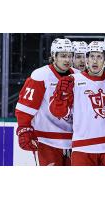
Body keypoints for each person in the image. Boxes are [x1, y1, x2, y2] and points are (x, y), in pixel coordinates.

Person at [49, 41, 105, 166]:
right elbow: (58, 112)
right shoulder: (73, 80)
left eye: (99, 57)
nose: (95, 61)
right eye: (91, 56)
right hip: (82, 148)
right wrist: (61, 95)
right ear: (87, 59)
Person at [15, 38, 79, 166]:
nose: (67, 60)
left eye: (69, 56)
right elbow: (25, 107)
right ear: (53, 56)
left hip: (74, 140)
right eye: (62, 56)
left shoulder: (78, 76)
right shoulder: (40, 75)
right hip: (46, 141)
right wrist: (24, 129)